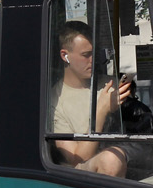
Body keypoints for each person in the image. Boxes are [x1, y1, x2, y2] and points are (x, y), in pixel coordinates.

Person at [47, 22, 131, 177]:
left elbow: (136, 128)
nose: (93, 60)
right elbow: (76, 158)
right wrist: (101, 110)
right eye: (86, 55)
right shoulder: (55, 101)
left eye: (95, 54)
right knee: (110, 159)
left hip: (128, 160)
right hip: (83, 177)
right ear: (65, 56)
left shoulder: (109, 84)